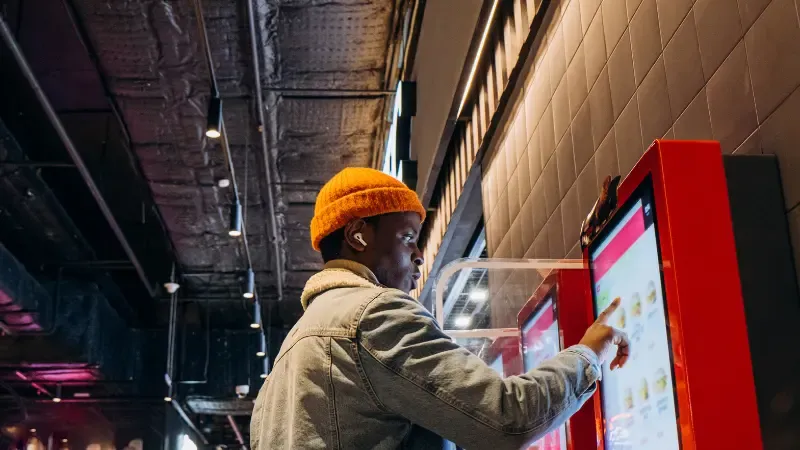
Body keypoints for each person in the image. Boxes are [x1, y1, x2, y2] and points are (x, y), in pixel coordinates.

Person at [251, 168, 630, 449]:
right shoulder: (374, 315)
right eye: (407, 238)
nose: (418, 256)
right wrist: (588, 353)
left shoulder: (290, 354)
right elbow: (506, 419)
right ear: (358, 235)